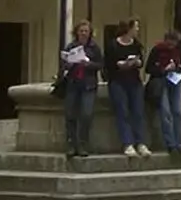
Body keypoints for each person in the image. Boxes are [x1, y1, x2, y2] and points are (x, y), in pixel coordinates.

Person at [104, 17, 151, 157]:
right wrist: (120, 65)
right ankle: (128, 143)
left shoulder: (136, 44)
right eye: (136, 27)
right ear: (128, 29)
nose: (137, 30)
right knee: (122, 112)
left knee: (138, 112)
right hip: (118, 82)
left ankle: (141, 143)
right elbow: (108, 64)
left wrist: (136, 63)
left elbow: (141, 61)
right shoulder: (113, 45)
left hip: (134, 82)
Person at [58, 21, 103, 158]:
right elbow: (64, 64)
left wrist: (88, 64)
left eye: (86, 31)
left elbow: (100, 64)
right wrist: (70, 63)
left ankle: (83, 143)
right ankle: (71, 144)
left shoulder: (94, 48)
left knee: (86, 114)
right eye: (81, 31)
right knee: (70, 115)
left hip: (88, 85)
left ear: (90, 33)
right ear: (77, 32)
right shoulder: (71, 46)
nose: (83, 33)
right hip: (73, 83)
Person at [146, 29, 181, 161]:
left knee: (178, 112)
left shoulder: (179, 49)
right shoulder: (157, 50)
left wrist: (178, 67)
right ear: (166, 41)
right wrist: (163, 69)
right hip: (161, 81)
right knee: (166, 113)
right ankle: (171, 144)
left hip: (176, 81)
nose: (172, 46)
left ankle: (179, 143)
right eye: (170, 44)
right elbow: (148, 68)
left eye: (174, 44)